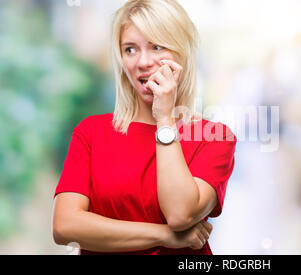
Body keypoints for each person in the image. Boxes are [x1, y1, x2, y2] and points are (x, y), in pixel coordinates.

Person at [52, 0, 237, 255]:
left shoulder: (214, 137)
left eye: (157, 47)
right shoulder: (92, 132)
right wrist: (164, 236)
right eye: (130, 49)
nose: (143, 62)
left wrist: (164, 120)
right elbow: (65, 226)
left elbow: (180, 214)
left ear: (182, 52)